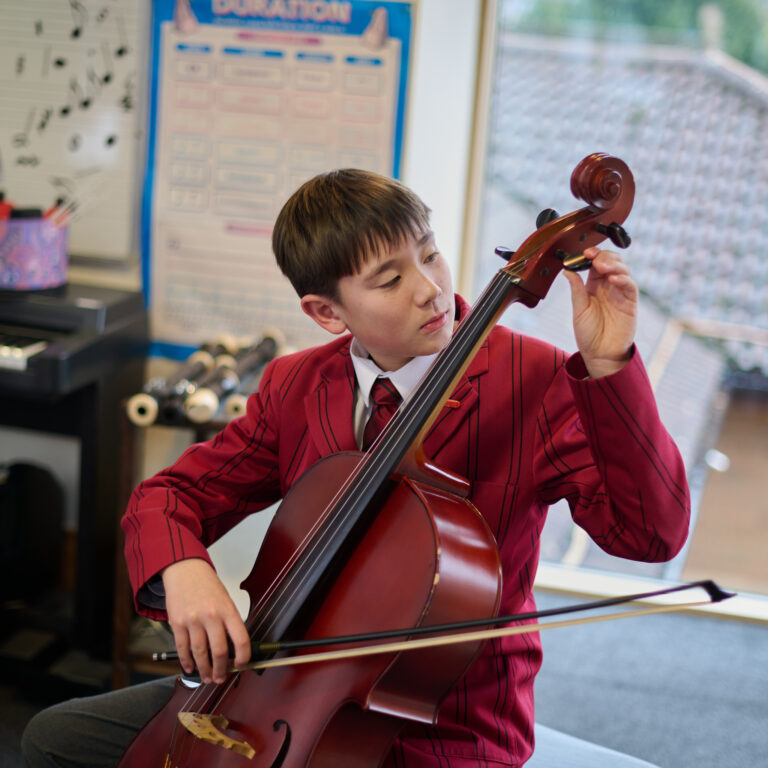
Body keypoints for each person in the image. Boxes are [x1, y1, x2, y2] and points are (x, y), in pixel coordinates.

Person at [22, 168, 689, 767]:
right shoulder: (297, 385)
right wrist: (186, 573)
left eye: (429, 253)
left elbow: (649, 536)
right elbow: (168, 496)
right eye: (391, 278)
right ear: (325, 312)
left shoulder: (535, 379)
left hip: (443, 724)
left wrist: (609, 368)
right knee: (55, 739)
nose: (429, 289)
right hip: (283, 690)